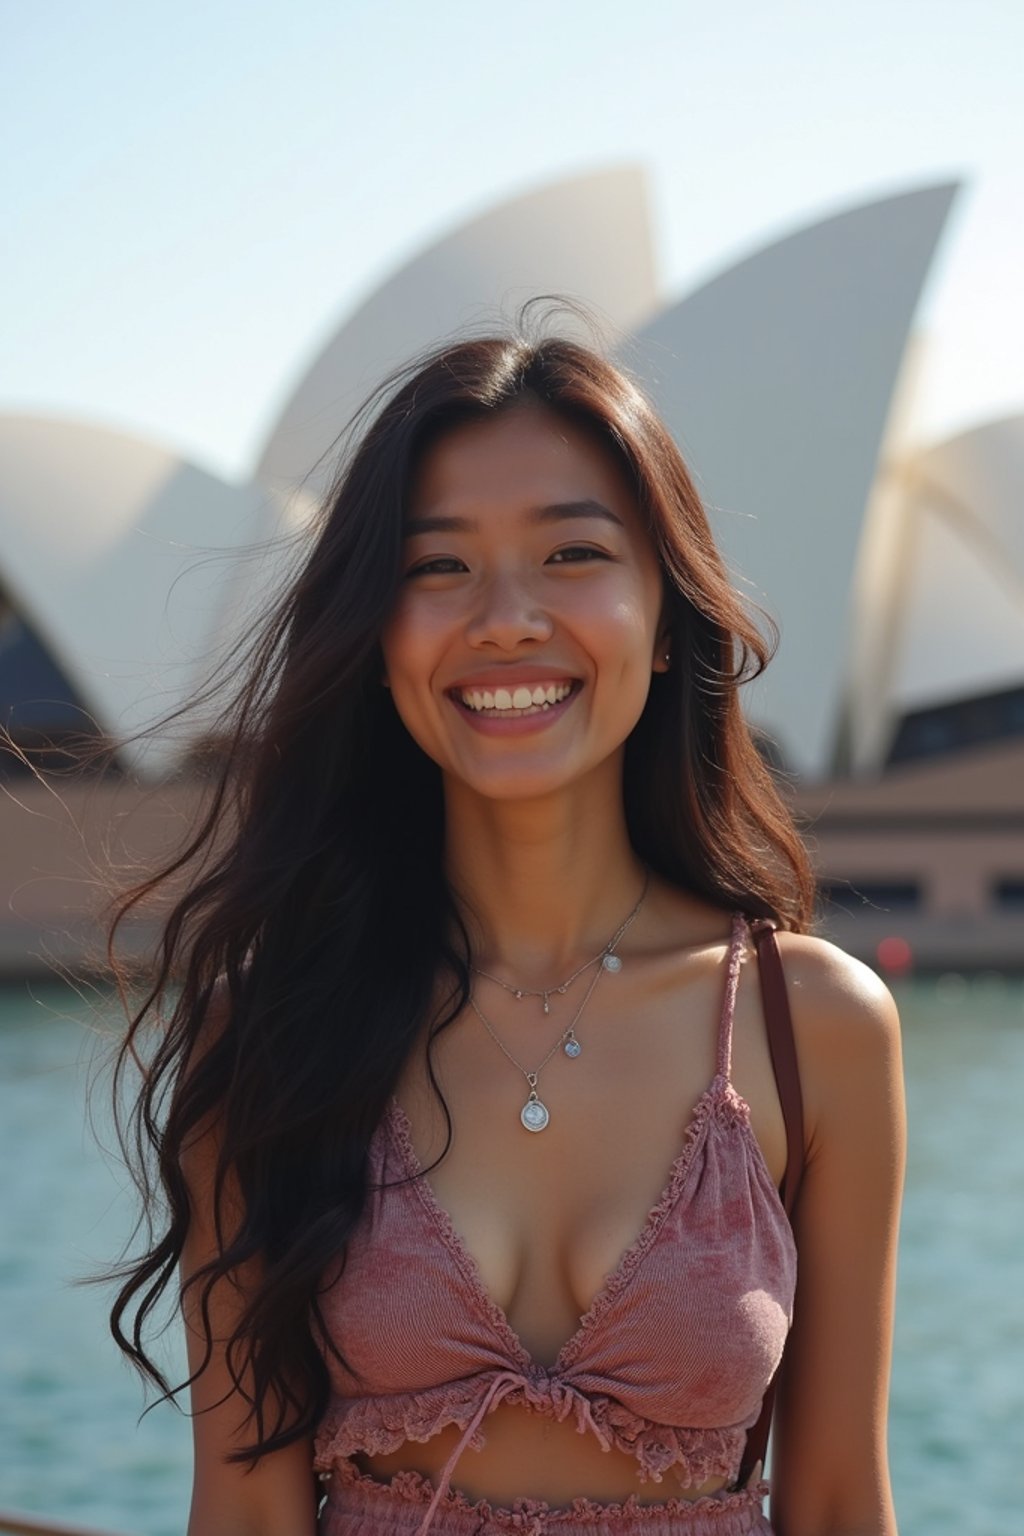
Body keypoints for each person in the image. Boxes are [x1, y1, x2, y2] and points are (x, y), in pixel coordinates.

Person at [107, 313, 906, 1536]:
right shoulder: (265, 1037)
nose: (506, 619)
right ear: (375, 640)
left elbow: (842, 1502)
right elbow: (247, 1511)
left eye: (572, 554)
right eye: (437, 567)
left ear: (664, 607)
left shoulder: (818, 1028)